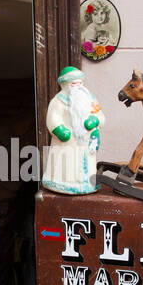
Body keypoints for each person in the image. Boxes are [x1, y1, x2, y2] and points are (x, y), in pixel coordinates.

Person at [42, 66, 105, 194]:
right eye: (74, 83)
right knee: (66, 164)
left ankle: (87, 183)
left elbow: (100, 115)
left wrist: (96, 120)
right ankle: (62, 183)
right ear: (65, 85)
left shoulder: (89, 99)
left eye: (80, 83)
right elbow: (53, 117)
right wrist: (59, 129)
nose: (78, 86)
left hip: (86, 142)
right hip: (67, 143)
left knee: (87, 164)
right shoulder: (59, 101)